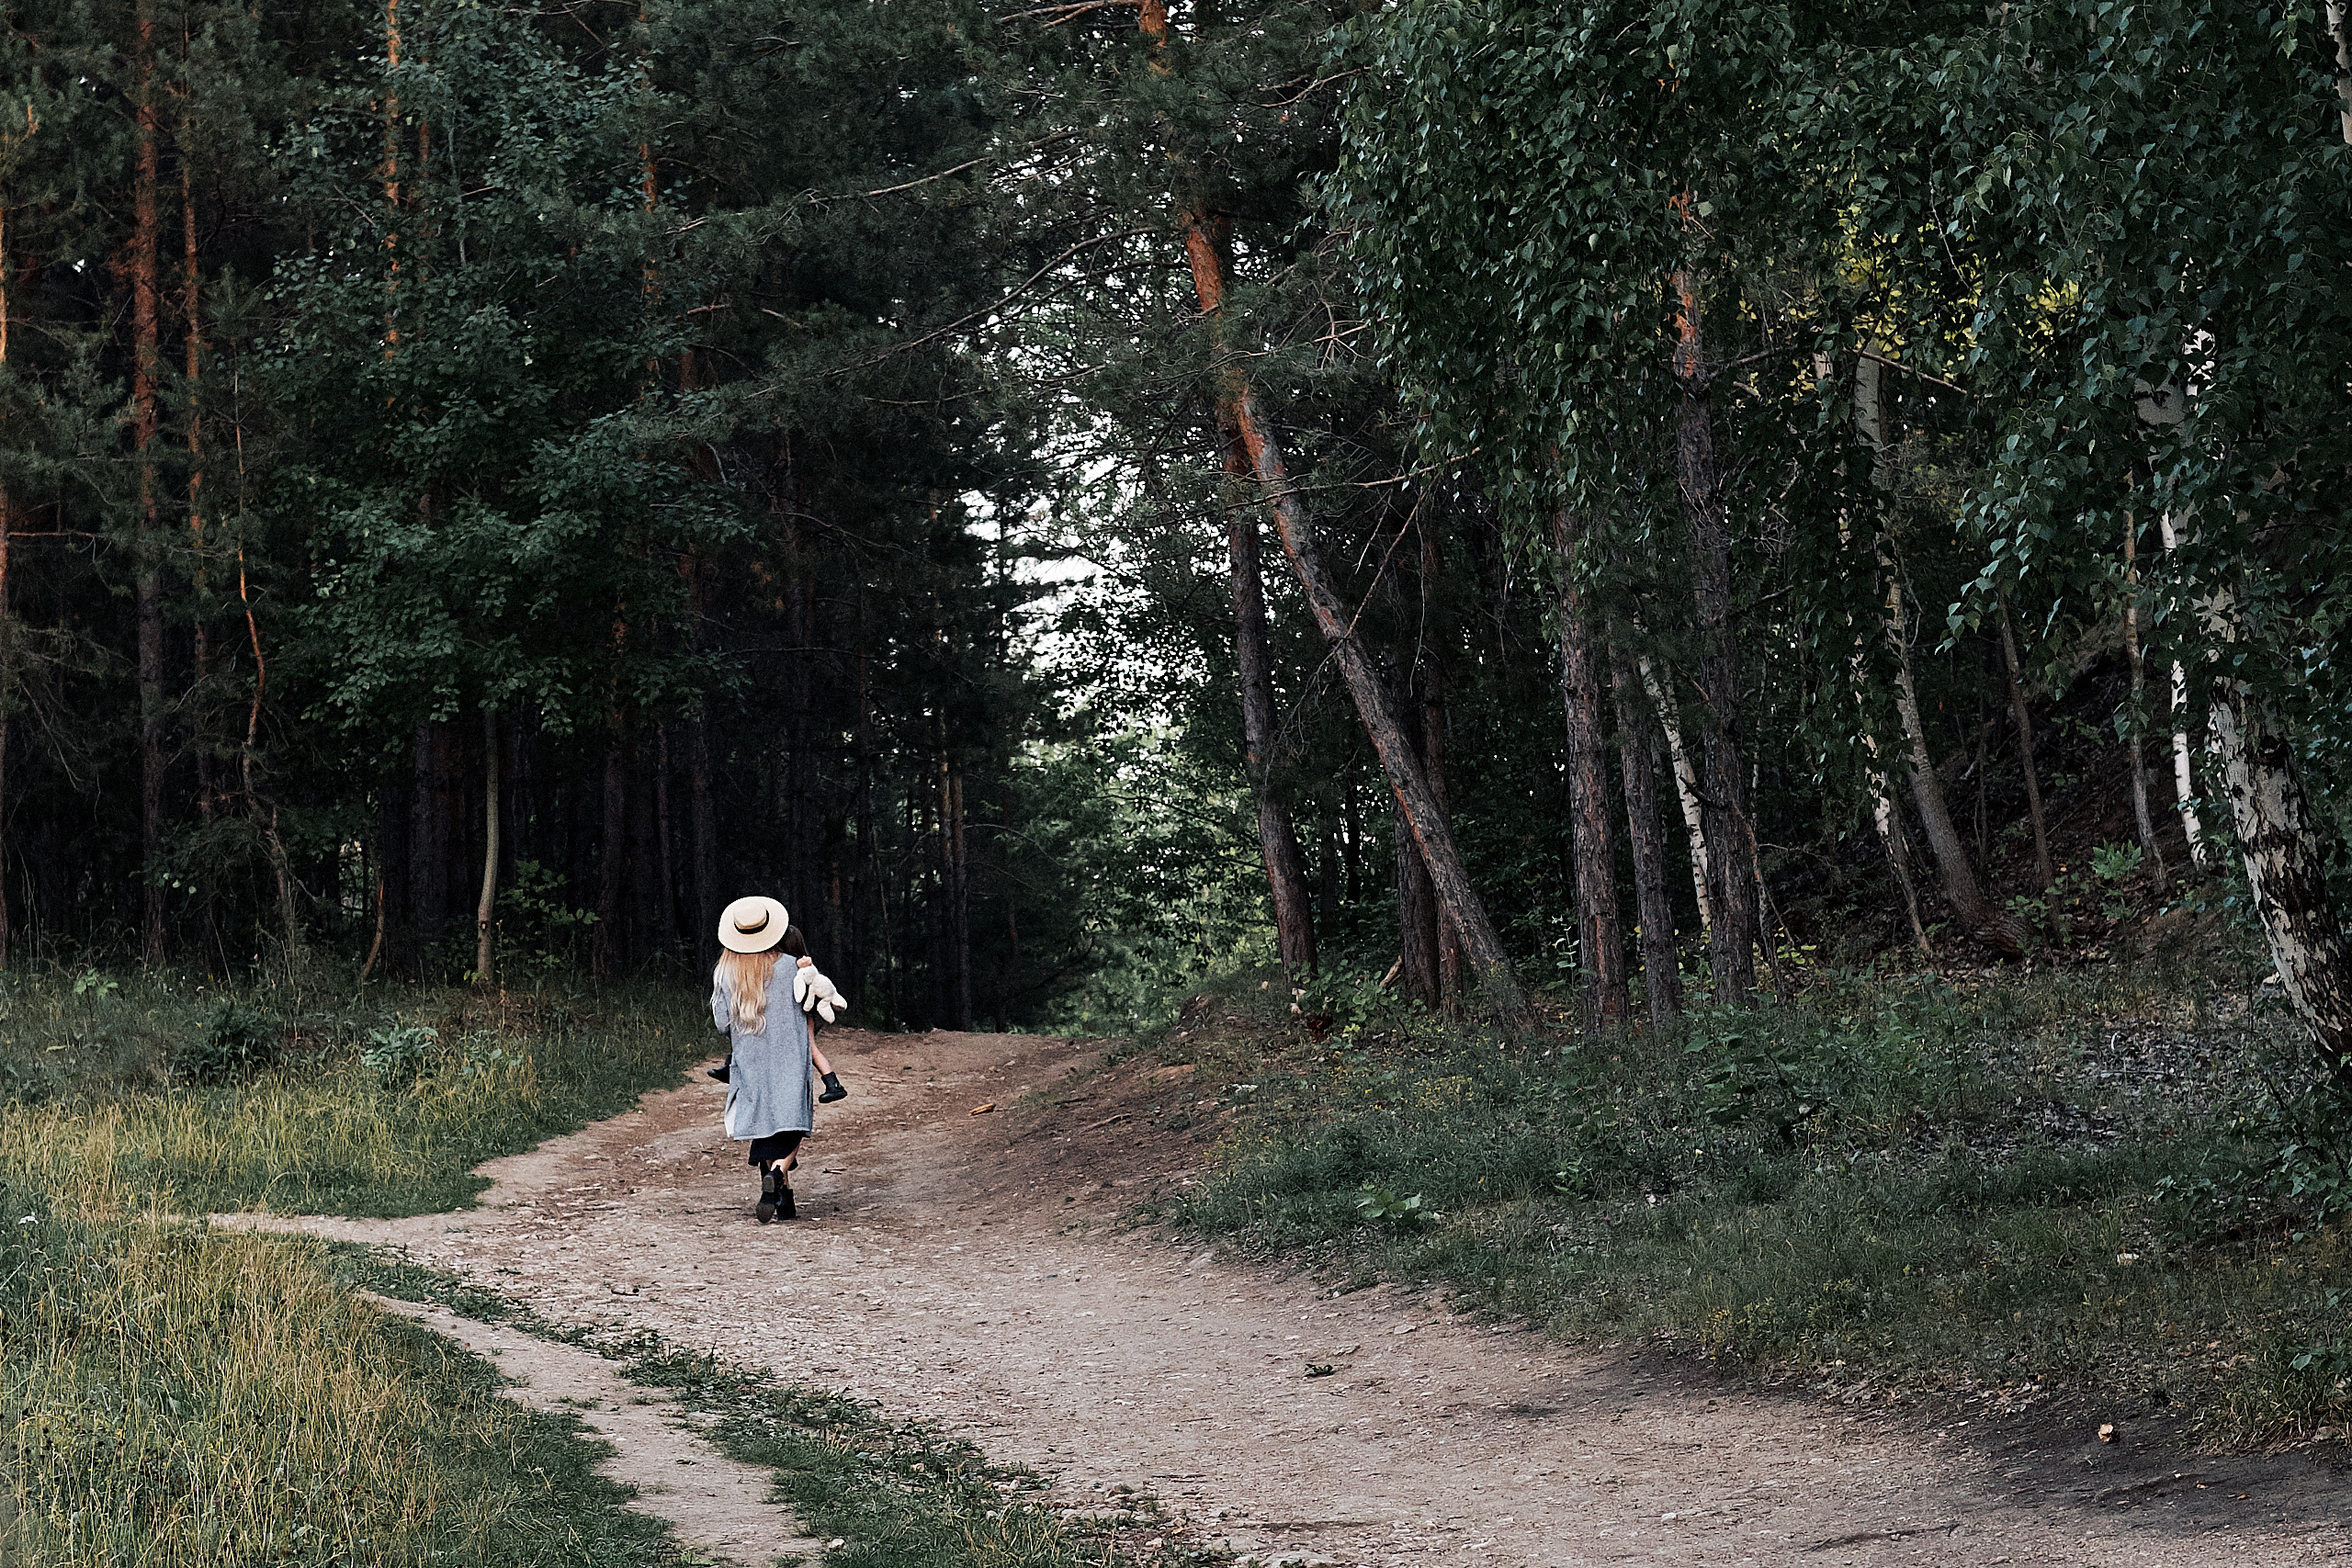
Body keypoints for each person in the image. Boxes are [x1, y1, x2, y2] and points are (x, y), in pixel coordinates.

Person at [708, 896, 847, 1223]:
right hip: (790, 1055)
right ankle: (779, 1171)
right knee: (794, 1122)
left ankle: (780, 1193)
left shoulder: (727, 973)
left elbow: (721, 1023)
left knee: (764, 1125)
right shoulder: (794, 968)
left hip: (750, 1057)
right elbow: (815, 1006)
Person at [707, 923, 847, 1102]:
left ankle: (833, 1083)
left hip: (803, 1015)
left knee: (810, 1047)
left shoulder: (794, 967)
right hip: (805, 1012)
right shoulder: (799, 966)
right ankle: (730, 1064)